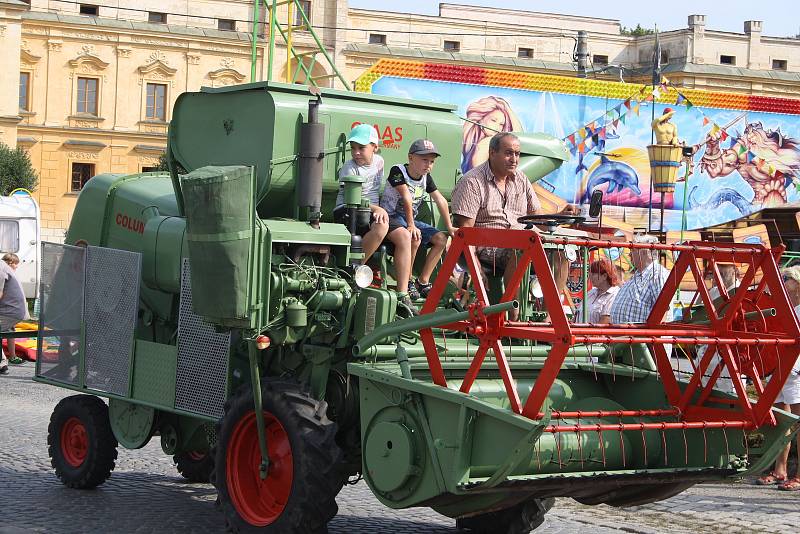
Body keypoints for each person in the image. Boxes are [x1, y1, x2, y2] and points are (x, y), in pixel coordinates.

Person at [451, 132, 578, 319]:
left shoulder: (521, 179)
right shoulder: (472, 182)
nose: (514, 159)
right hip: (489, 248)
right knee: (521, 246)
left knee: (561, 251)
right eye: (508, 153)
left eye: (517, 154)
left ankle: (550, 317)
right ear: (492, 153)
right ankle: (514, 315)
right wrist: (477, 269)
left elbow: (537, 219)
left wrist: (560, 216)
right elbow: (465, 233)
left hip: (522, 243)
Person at [380, 139, 455, 312]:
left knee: (441, 239)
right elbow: (406, 197)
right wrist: (412, 226)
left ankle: (422, 281)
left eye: (431, 161)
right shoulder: (398, 171)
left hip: (408, 219)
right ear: (411, 158)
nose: (428, 165)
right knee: (413, 236)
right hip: (391, 216)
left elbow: (440, 200)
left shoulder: (426, 178)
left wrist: (450, 227)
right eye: (424, 160)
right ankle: (406, 283)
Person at [756, 266, 800, 490]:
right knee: (783, 420)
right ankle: (780, 469)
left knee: (798, 422)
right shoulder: (784, 310)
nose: (783, 282)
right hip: (779, 371)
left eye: (787, 279)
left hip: (795, 372)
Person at [333, 123, 389, 264]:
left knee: (403, 233)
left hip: (370, 209)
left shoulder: (380, 162)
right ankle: (355, 266)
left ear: (375, 148)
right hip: (347, 209)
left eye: (361, 148)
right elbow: (352, 198)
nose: (356, 152)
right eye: (353, 148)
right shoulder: (349, 168)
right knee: (381, 226)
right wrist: (377, 209)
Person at [610, 234, 673, 324]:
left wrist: (655, 336)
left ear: (645, 252)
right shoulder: (638, 274)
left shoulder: (658, 274)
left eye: (633, 250)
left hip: (641, 336)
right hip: (628, 335)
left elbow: (663, 309)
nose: (630, 254)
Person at [461, 96, 523, 173]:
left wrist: (506, 107)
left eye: (501, 124)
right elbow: (518, 137)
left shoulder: (474, 144)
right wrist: (506, 107)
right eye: (493, 120)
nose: (497, 128)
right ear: (481, 119)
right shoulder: (487, 142)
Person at [1, 253, 28, 375]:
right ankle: (5, 360)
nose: (16, 267)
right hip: (13, 310)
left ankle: (4, 361)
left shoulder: (2, 268)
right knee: (8, 330)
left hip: (10, 311)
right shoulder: (5, 268)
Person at [581, 258, 621, 324]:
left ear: (604, 276)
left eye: (593, 274)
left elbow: (604, 324)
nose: (590, 276)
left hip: (590, 334)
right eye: (590, 274)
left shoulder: (614, 295)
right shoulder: (590, 293)